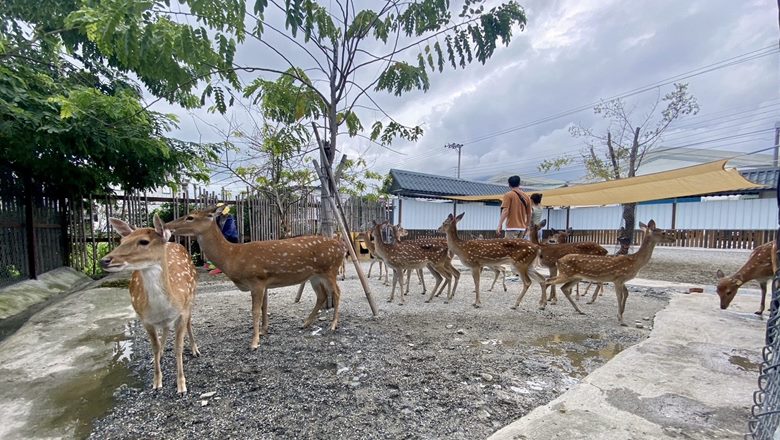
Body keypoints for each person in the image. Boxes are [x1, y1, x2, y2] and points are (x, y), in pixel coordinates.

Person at [207, 204, 239, 275]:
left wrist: (222, 239)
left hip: (231, 238)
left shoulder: (230, 218)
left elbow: (230, 230)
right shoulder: (218, 218)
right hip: (222, 237)